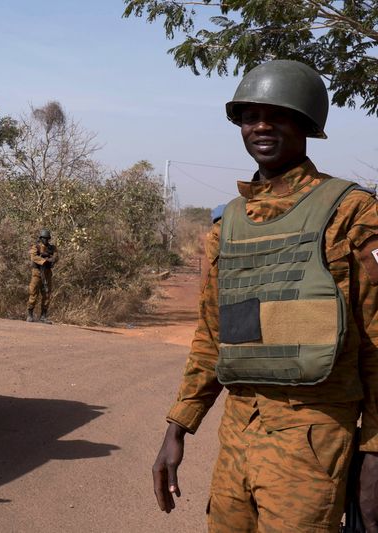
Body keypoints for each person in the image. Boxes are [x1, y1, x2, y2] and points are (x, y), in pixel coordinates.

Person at [152, 59, 378, 532]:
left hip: (313, 434)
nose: (261, 126)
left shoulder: (353, 212)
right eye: (250, 115)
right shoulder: (228, 225)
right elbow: (212, 337)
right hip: (239, 431)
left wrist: (374, 452)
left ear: (306, 123)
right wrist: (178, 426)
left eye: (277, 114)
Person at [27, 229, 58, 323]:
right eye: (44, 238)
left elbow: (56, 256)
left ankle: (43, 316)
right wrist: (45, 261)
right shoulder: (35, 246)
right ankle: (30, 314)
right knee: (33, 293)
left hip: (47, 273)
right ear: (41, 238)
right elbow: (34, 257)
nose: (46, 240)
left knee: (47, 294)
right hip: (37, 273)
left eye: (47, 238)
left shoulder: (52, 248)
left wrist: (52, 259)